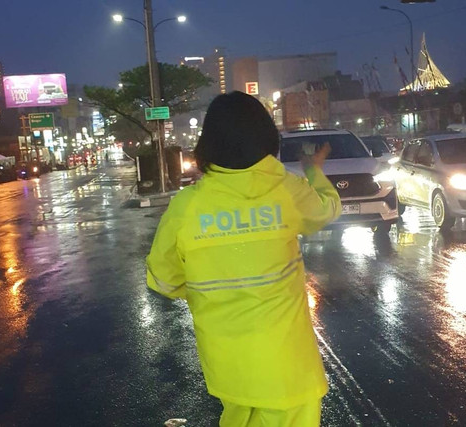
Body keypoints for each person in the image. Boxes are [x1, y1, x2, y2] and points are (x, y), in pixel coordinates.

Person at [146, 91, 341, 426]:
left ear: (208, 144)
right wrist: (314, 171)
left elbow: (163, 280)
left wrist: (208, 290)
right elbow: (328, 209)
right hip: (288, 370)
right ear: (267, 138)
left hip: (229, 369)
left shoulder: (186, 207)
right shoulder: (286, 191)